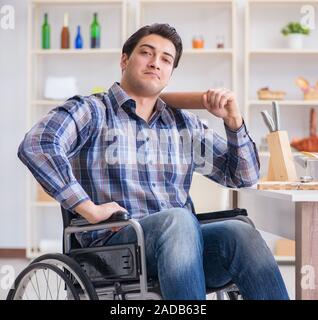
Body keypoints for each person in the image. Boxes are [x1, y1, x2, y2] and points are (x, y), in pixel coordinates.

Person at [18, 23, 289, 300]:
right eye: (146, 53)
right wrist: (89, 209)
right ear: (125, 60)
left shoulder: (183, 124)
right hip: (113, 248)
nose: (155, 63)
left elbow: (243, 177)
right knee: (178, 220)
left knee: (240, 233)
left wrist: (233, 122)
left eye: (165, 59)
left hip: (183, 252)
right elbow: (37, 145)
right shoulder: (92, 111)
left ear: (170, 73)